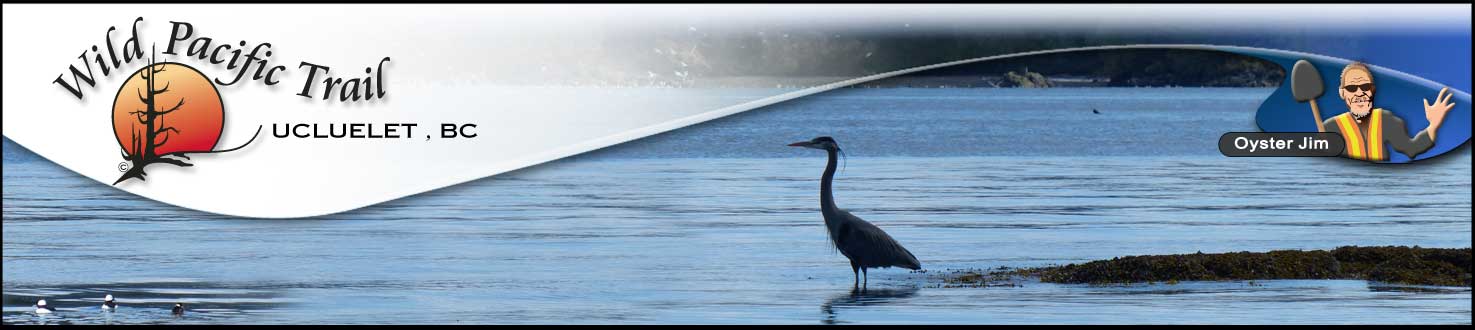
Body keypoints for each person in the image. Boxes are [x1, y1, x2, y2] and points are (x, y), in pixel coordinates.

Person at [1319, 62, 1455, 161]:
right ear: (1342, 93)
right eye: (1352, 88)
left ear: (1372, 90)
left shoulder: (1386, 120)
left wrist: (1433, 125)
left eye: (1365, 86)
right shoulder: (1330, 127)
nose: (1359, 93)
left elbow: (1411, 148)